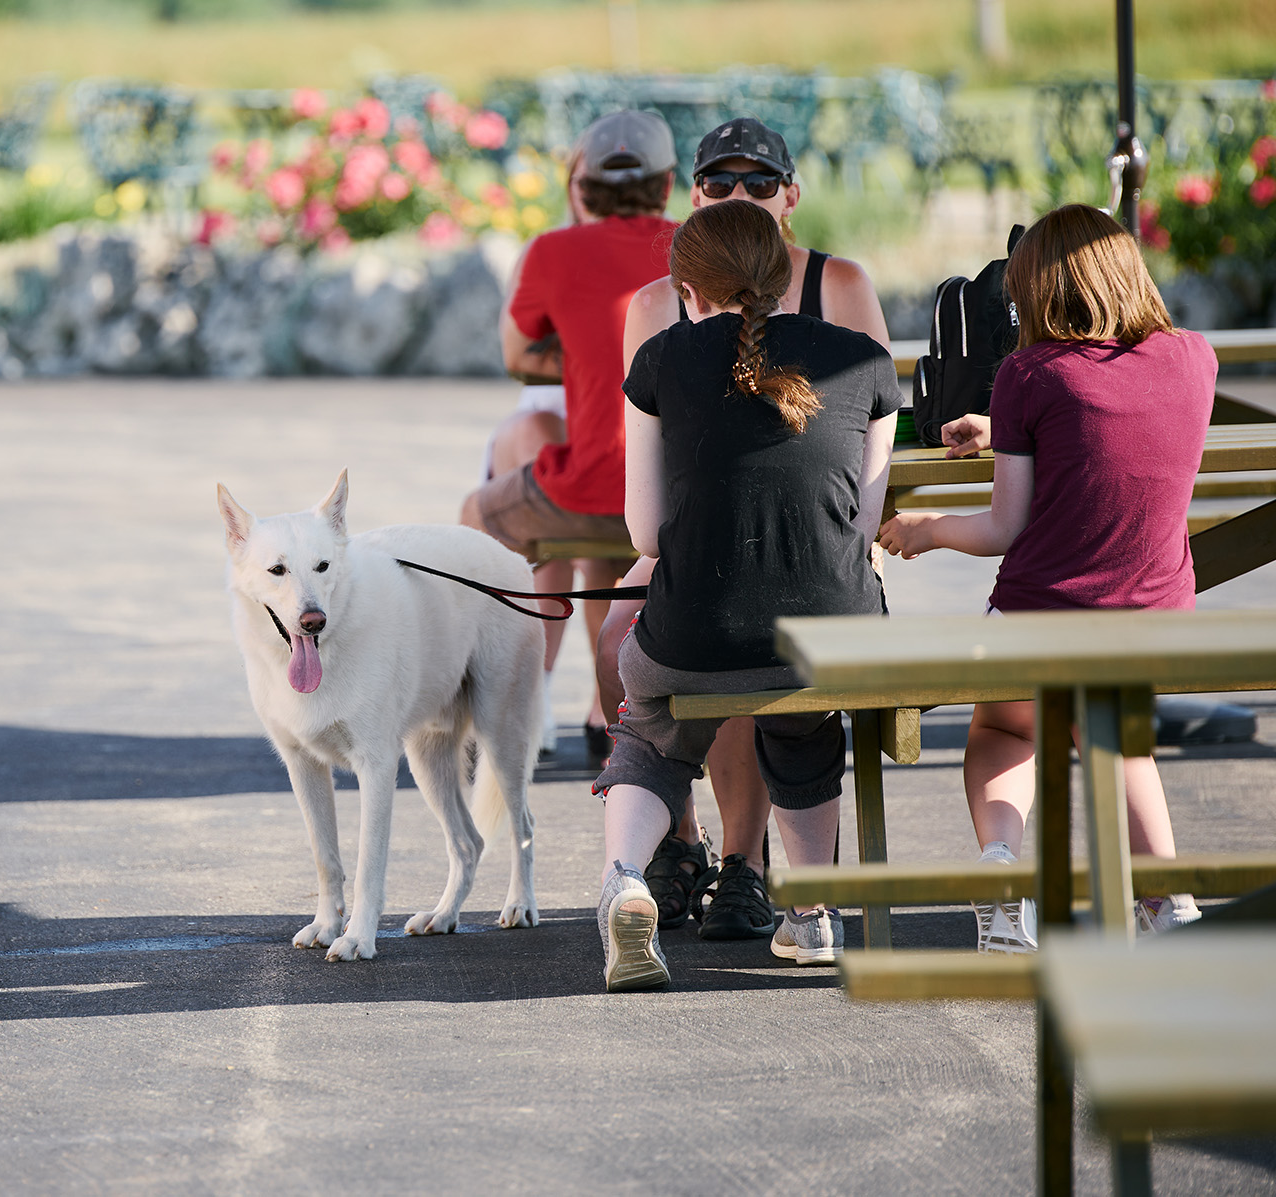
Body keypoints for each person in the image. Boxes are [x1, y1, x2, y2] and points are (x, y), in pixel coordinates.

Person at [877, 203, 1216, 951]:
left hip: (1043, 615)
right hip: (1156, 616)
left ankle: (1002, 873)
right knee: (1115, 741)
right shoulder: (1194, 356)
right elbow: (1115, 418)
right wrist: (1011, 433)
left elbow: (1004, 527)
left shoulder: (1027, 373)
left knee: (1004, 726)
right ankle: (1166, 901)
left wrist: (926, 531)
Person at [597, 116, 893, 942]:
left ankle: (639, 872)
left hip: (700, 599)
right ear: (692, 199)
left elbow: (646, 526)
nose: (739, 196)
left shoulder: (666, 346)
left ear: (788, 198)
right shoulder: (860, 356)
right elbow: (865, 509)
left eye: (757, 182)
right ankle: (809, 907)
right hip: (826, 607)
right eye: (722, 184)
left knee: (654, 704)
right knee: (799, 705)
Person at [460, 110, 680, 756]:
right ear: (666, 185)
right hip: (678, 494)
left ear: (581, 189)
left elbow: (517, 355)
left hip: (593, 487)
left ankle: (489, 704)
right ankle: (613, 712)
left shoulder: (553, 252)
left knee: (479, 510)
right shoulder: (696, 243)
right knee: (613, 552)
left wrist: (584, 357)